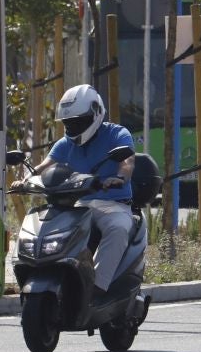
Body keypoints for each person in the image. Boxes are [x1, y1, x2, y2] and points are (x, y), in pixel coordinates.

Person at [34, 85, 138, 295]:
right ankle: (61, 277)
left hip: (114, 205)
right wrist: (25, 179)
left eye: (79, 122)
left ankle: (97, 289)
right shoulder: (65, 144)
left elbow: (127, 162)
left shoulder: (117, 134)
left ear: (96, 113)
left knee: (117, 229)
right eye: (69, 123)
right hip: (80, 205)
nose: (73, 127)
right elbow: (45, 166)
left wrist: (119, 178)